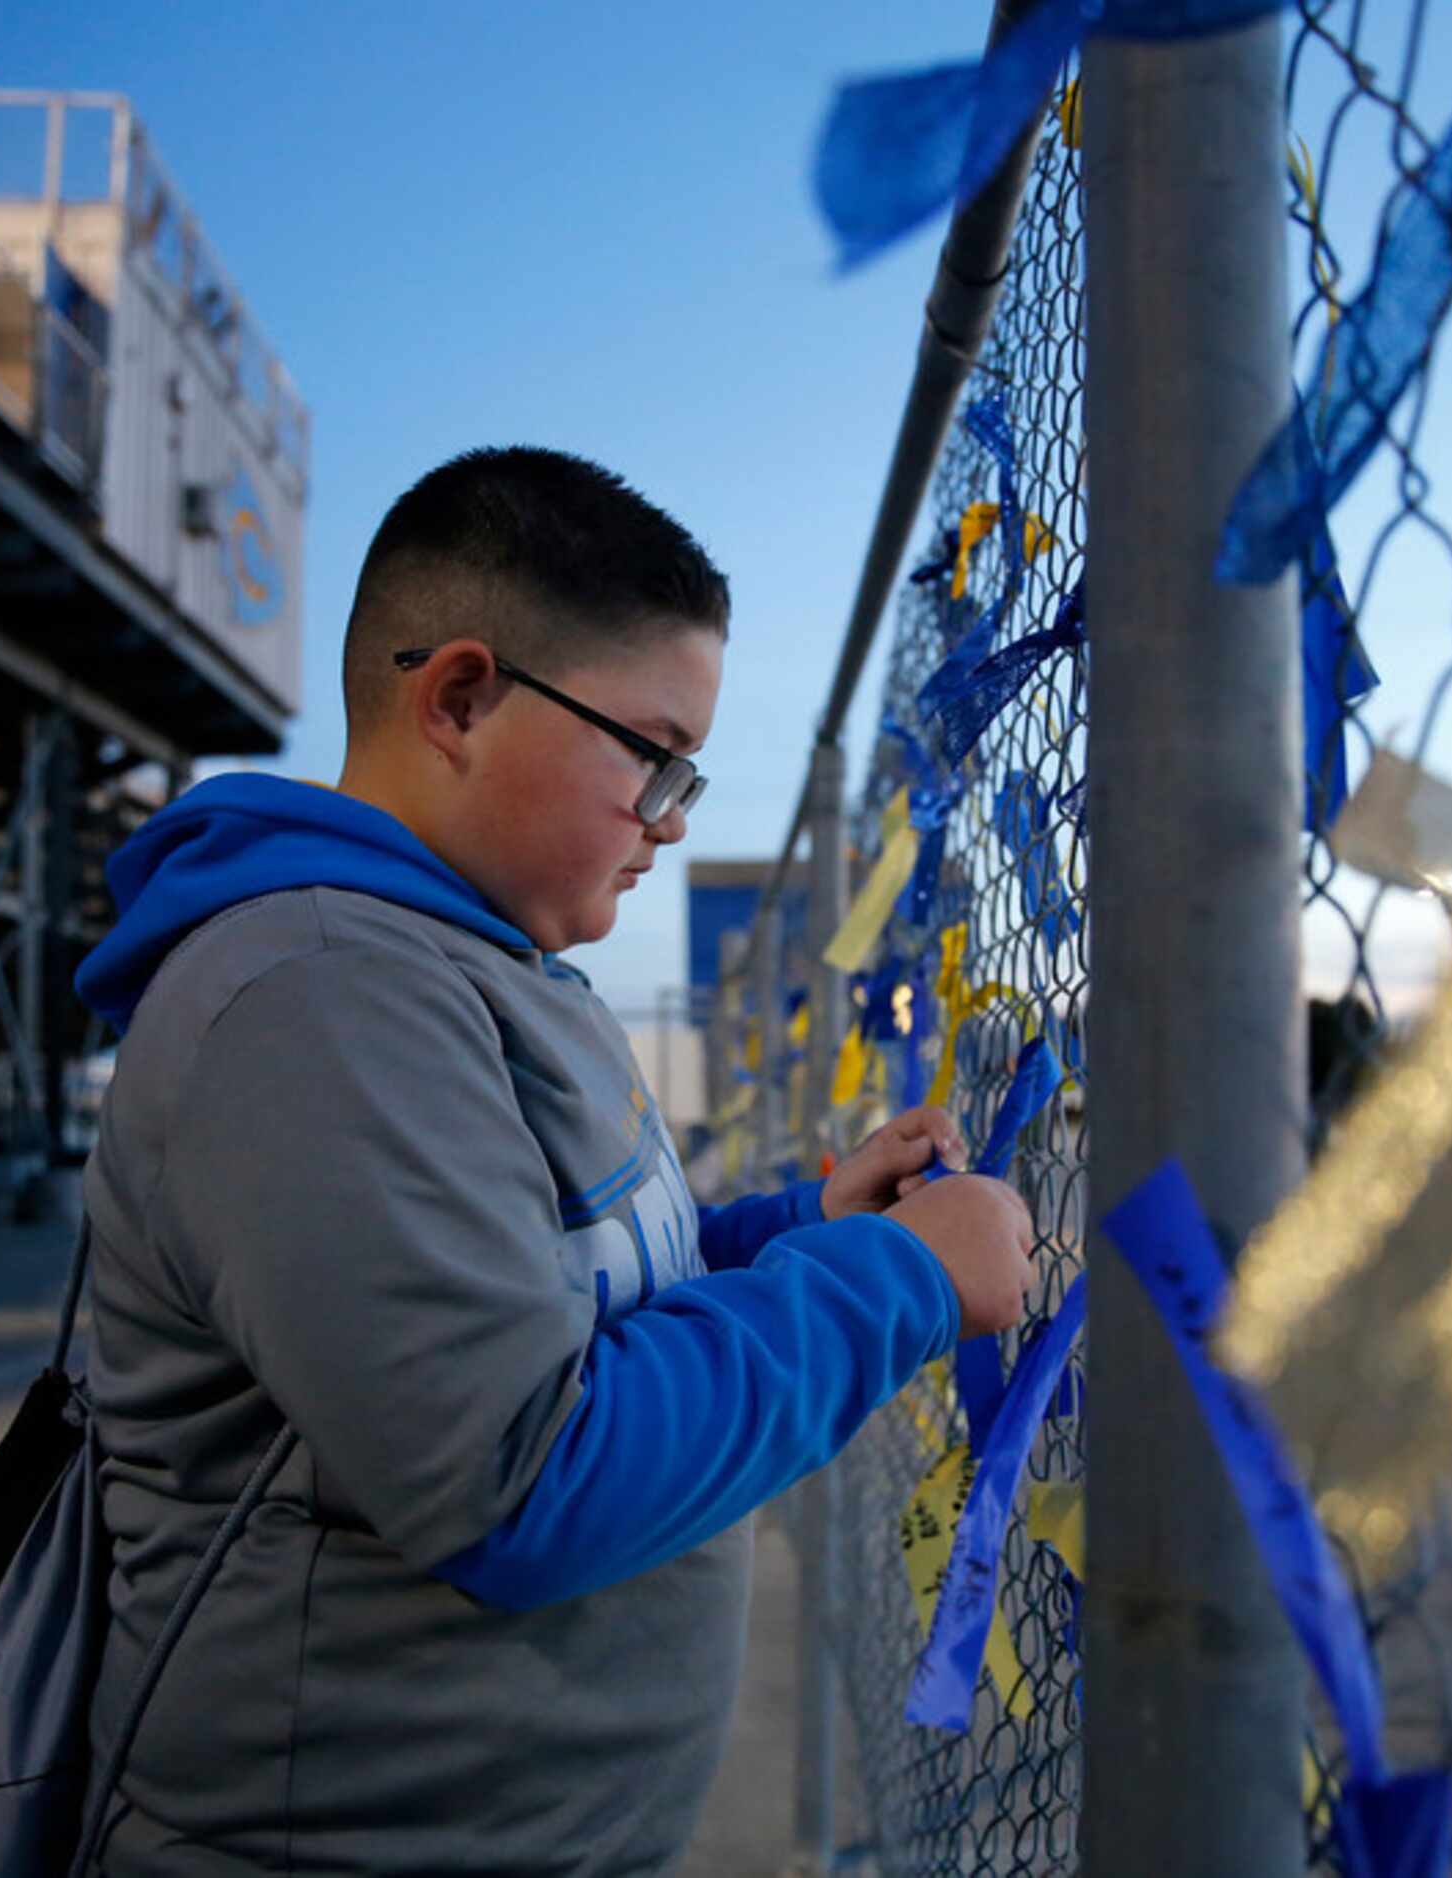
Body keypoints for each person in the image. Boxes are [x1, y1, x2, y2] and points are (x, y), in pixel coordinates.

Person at [68, 447, 1037, 1876]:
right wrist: (894, 1276)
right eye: (652, 754)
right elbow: (524, 1472)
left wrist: (796, 1224)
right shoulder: (319, 995)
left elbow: (573, 1289)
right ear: (460, 697)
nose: (676, 817)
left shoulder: (479, 968)